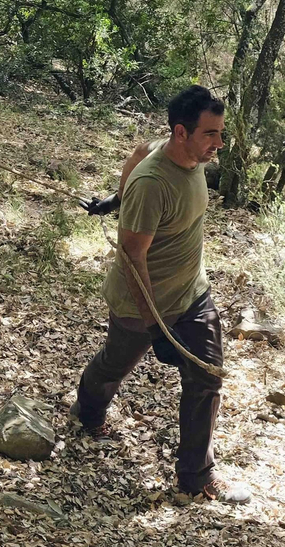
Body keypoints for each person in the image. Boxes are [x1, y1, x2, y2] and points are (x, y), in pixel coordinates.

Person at [71, 84, 250, 504]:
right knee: (115, 364)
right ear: (181, 132)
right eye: (210, 134)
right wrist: (155, 329)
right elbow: (132, 257)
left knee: (207, 377)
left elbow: (138, 150)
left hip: (191, 294)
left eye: (221, 133)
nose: (219, 144)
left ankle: (196, 475)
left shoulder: (187, 154)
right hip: (141, 303)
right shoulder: (153, 183)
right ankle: (88, 413)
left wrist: (116, 198)